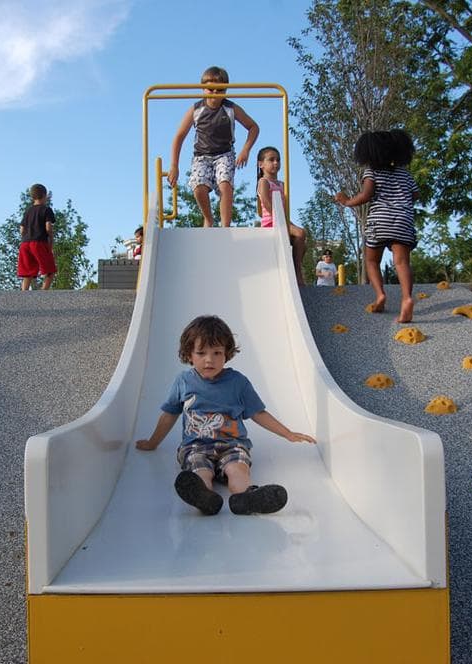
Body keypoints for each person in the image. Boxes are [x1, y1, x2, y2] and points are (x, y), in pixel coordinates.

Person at [135, 315, 316, 515]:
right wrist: (153, 442)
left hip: (233, 445)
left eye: (217, 353)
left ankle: (246, 497)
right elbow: (169, 414)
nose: (209, 360)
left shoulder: (238, 383)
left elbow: (258, 413)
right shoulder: (183, 382)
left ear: (227, 354)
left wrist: (288, 433)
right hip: (196, 445)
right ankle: (204, 497)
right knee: (199, 470)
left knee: (237, 469)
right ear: (189, 355)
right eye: (201, 353)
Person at [335, 129, 419, 322]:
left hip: (379, 220)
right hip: (403, 219)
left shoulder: (371, 172)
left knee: (372, 261)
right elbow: (415, 195)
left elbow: (366, 195)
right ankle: (406, 298)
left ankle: (380, 294)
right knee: (402, 262)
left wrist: (346, 201)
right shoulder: (404, 174)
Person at [168, 66, 259, 228]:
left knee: (225, 184)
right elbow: (179, 136)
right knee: (199, 187)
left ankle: (225, 225)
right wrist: (174, 165)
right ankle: (208, 218)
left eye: (220, 90)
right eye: (211, 89)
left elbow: (253, 127)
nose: (215, 93)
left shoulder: (231, 108)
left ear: (226, 90)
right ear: (203, 89)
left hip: (224, 153)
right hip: (201, 155)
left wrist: (246, 149)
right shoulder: (196, 109)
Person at [256, 146, 306, 286]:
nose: (276, 163)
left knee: (302, 244)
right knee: (300, 233)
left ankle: (292, 268)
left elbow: (284, 208)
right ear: (261, 164)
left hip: (282, 220)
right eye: (271, 160)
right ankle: (297, 272)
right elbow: (266, 202)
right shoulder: (263, 182)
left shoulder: (283, 184)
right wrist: (283, 222)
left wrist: (287, 223)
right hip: (271, 222)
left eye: (278, 160)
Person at [18, 183, 56, 291]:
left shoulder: (28, 211)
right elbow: (48, 227)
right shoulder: (46, 209)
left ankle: (23, 295)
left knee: (27, 273)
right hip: (39, 242)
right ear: (45, 195)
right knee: (50, 271)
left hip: (25, 244)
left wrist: (27, 237)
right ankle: (42, 294)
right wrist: (51, 240)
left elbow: (22, 229)